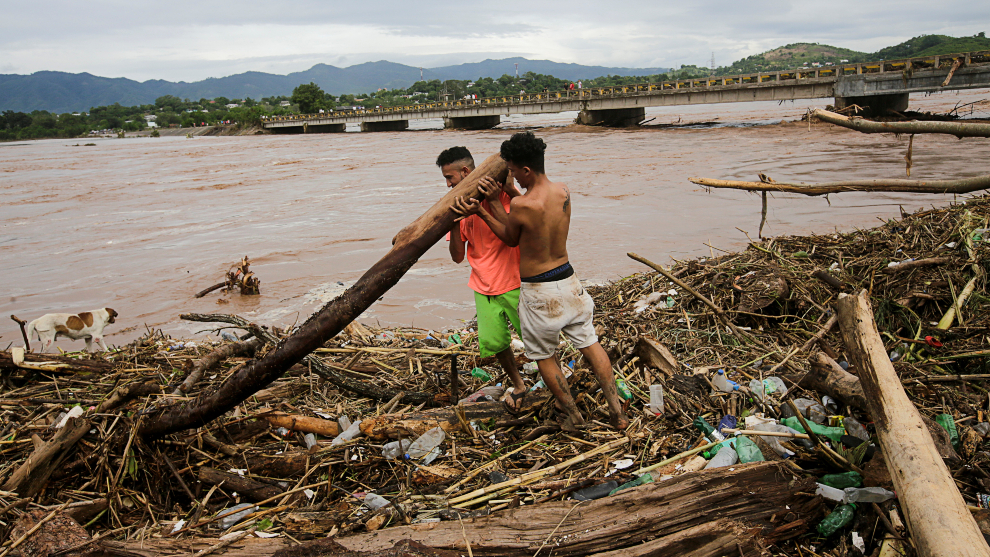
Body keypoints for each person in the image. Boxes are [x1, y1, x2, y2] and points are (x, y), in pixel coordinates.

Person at [451, 132, 629, 432]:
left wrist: (486, 206)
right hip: (569, 280)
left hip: (539, 291)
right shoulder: (563, 191)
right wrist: (507, 194)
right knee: (590, 344)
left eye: (513, 171)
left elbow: (510, 236)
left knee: (544, 356)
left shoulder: (522, 205)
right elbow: (537, 213)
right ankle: (617, 411)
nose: (512, 178)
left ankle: (573, 415)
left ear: (526, 171)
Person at [437, 146, 529, 412]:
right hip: (482, 285)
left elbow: (520, 231)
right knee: (497, 343)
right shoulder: (460, 206)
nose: (447, 184)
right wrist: (453, 221)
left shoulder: (500, 193)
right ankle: (519, 384)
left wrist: (499, 198)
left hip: (514, 282)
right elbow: (457, 257)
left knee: (536, 339)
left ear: (465, 172)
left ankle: (553, 381)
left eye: (449, 177)